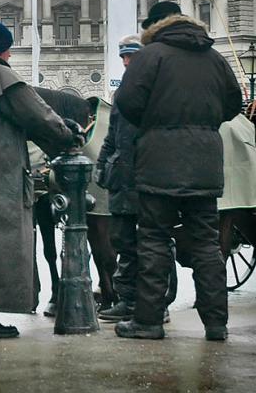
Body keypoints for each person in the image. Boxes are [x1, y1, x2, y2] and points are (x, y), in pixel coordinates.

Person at [114, 1, 242, 341]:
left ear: (156, 26)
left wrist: (154, 123)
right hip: (204, 163)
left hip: (159, 162)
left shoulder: (151, 56)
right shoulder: (214, 57)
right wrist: (205, 124)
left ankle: (149, 321)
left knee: (154, 239)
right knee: (206, 243)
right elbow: (235, 103)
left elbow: (126, 101)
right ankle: (216, 324)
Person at [0, 19, 78, 339]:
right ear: (2, 49)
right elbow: (38, 115)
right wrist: (67, 136)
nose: (9, 56)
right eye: (8, 49)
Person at [96, 34, 177, 323]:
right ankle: (128, 300)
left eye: (131, 56)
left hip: (149, 175)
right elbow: (112, 135)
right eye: (124, 57)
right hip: (123, 178)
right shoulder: (123, 93)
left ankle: (159, 303)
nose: (126, 61)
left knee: (155, 244)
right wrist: (103, 164)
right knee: (123, 242)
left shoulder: (159, 90)